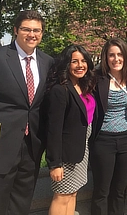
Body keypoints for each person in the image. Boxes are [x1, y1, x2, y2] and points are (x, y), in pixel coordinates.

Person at [0, 10, 54, 214]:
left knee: (21, 206)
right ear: (15, 30)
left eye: (37, 30)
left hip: (31, 148)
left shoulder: (47, 62)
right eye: (26, 29)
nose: (32, 34)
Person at [44, 45, 96, 215]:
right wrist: (55, 163)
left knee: (73, 193)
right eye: (74, 61)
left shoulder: (83, 86)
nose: (80, 65)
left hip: (81, 150)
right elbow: (54, 130)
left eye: (83, 61)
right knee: (62, 196)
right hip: (65, 155)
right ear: (66, 64)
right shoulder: (61, 90)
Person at [89, 38, 127, 215]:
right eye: (111, 55)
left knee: (120, 190)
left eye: (119, 54)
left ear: (125, 56)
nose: (116, 59)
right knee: (102, 190)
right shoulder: (96, 79)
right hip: (103, 140)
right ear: (105, 58)